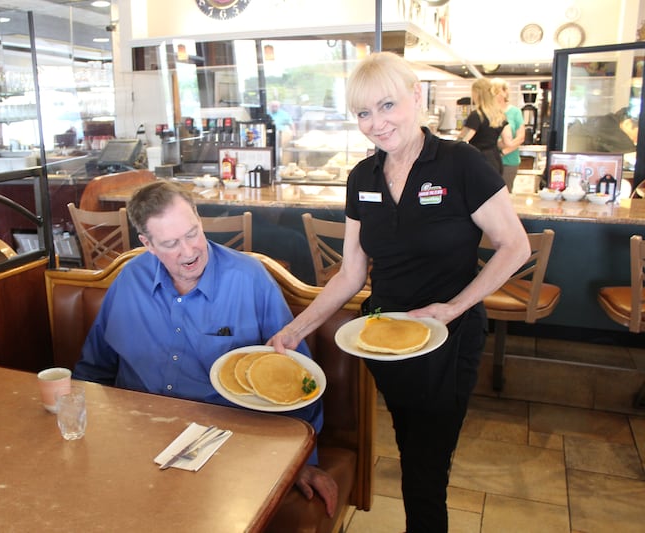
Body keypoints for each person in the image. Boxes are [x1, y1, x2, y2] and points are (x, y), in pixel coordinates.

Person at [269, 52, 531, 533]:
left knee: (425, 474)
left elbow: (515, 246)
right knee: (411, 445)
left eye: (387, 105)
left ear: (415, 98)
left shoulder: (460, 164)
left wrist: (453, 308)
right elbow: (350, 274)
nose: (376, 123)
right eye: (364, 113)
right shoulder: (362, 178)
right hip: (384, 341)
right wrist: (295, 328)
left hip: (446, 343)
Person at [73, 180, 337, 516]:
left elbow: (299, 380)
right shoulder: (129, 280)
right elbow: (93, 368)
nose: (189, 251)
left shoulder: (249, 279)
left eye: (192, 233)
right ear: (148, 244)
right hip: (135, 434)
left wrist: (303, 458)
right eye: (170, 243)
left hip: (225, 441)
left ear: (199, 219)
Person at [458, 78, 514, 175]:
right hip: (495, 159)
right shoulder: (500, 115)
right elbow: (508, 142)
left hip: (478, 160)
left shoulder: (476, 115)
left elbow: (462, 139)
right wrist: (491, 143)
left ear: (477, 93)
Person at [491, 78, 526, 191]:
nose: (496, 95)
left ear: (505, 92)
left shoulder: (515, 112)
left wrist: (503, 152)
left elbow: (520, 137)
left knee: (506, 193)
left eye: (498, 91)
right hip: (491, 161)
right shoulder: (489, 112)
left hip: (510, 161)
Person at [566, 106, 638, 154]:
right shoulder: (616, 135)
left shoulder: (609, 121)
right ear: (628, 123)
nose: (636, 141)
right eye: (638, 136)